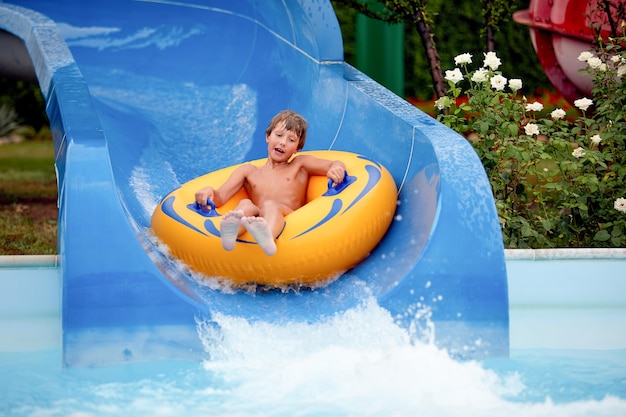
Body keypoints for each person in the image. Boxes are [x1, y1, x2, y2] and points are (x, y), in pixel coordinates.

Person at [194, 110, 346, 256]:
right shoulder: (248, 171)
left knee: (270, 205)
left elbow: (334, 163)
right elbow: (221, 196)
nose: (283, 143)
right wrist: (209, 192)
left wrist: (337, 169)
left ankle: (267, 237)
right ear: (268, 136)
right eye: (278, 135)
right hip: (257, 218)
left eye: (291, 140)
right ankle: (232, 230)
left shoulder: (300, 165)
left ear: (297, 148)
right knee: (246, 205)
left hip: (288, 217)